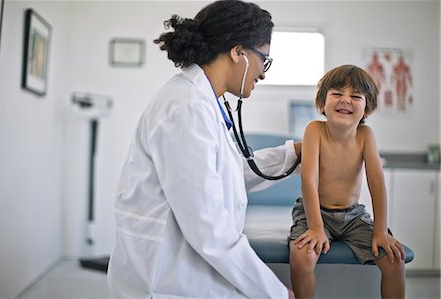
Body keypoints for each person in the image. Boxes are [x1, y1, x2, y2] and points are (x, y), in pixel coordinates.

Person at [107, 1, 300, 298]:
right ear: (238, 53)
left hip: (184, 273)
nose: (263, 73)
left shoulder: (202, 100)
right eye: (264, 59)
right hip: (166, 279)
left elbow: (228, 172)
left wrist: (294, 153)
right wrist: (274, 291)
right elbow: (207, 226)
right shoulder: (186, 107)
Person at [288, 65, 406, 299]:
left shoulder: (366, 136)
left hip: (353, 216)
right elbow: (308, 180)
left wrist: (381, 231)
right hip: (314, 213)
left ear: (366, 109)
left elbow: (377, 182)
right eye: (337, 94)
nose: (346, 100)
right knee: (301, 259)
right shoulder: (314, 130)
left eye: (355, 96)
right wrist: (315, 227)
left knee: (394, 261)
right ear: (322, 104)